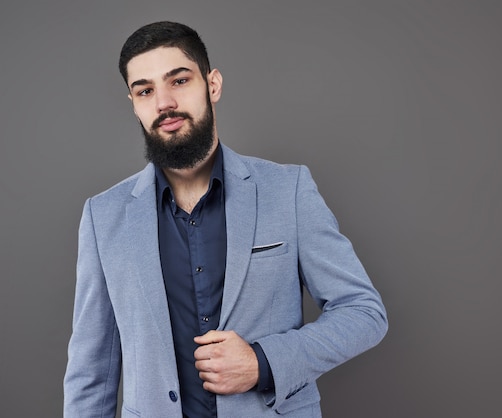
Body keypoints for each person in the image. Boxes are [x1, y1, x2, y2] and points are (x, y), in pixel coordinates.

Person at [63, 21, 387, 418]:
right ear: (133, 103)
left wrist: (263, 362)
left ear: (212, 84)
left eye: (179, 81)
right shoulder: (103, 216)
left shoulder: (288, 189)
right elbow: (90, 371)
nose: (163, 102)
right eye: (145, 90)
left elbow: (364, 312)